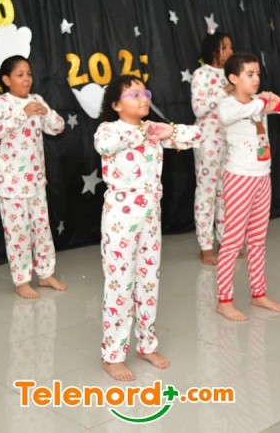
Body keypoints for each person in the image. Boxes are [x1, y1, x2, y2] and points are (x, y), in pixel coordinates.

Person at [94, 76, 201, 381]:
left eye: (145, 93)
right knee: (120, 285)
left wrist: (170, 131)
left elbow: (198, 136)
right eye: (134, 94)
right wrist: (140, 132)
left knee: (148, 283)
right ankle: (113, 355)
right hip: (120, 219)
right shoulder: (109, 129)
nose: (143, 98)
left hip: (151, 218)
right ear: (116, 105)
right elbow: (105, 145)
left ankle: (146, 344)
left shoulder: (152, 130)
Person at [215, 52, 280, 321]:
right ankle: (224, 301)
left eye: (257, 74)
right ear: (234, 78)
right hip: (239, 178)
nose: (256, 79)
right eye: (249, 74)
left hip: (263, 177)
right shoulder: (229, 105)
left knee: (257, 240)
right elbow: (229, 115)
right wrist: (262, 104)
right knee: (232, 241)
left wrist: (278, 103)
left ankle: (259, 293)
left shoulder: (259, 103)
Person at [0, 55, 67, 299]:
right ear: (6, 80)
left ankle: (45, 273)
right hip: (10, 183)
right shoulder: (1, 103)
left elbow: (58, 127)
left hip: (36, 179)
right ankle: (21, 279)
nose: (26, 79)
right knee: (18, 232)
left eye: (29, 74)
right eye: (20, 75)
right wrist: (21, 114)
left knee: (42, 228)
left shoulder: (37, 100)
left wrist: (46, 112)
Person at [191, 32, 234, 265]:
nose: (229, 51)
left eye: (230, 47)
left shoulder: (232, 74)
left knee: (226, 193)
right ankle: (205, 245)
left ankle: (225, 241)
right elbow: (198, 109)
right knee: (206, 192)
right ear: (213, 49)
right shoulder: (201, 74)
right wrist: (223, 91)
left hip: (230, 140)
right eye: (224, 47)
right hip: (208, 140)